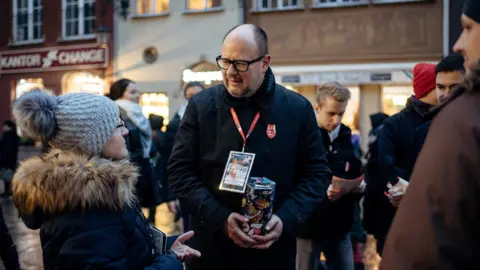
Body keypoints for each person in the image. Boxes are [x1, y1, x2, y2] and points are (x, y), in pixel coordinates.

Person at [167, 24, 331, 270]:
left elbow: (317, 175)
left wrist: (284, 219)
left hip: (272, 252)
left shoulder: (296, 109)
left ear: (264, 63)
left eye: (241, 63)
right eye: (225, 61)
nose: (231, 72)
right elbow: (179, 172)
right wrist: (219, 218)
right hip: (211, 250)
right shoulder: (201, 106)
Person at [11, 89, 200, 269]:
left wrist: (164, 246)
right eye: (117, 125)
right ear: (94, 141)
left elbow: (121, 246)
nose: (126, 131)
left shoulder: (103, 189)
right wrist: (171, 262)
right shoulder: (87, 207)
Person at [380, 1, 480, 268]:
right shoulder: (446, 121)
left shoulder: (462, 119)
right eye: (440, 87)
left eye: (469, 28)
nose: (459, 43)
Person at [296, 82, 364, 270]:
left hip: (340, 224)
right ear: (317, 108)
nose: (336, 120)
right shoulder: (304, 136)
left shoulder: (345, 135)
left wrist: (358, 187)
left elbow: (354, 169)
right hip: (309, 225)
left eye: (341, 114)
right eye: (331, 113)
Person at [374, 63, 438, 254]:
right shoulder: (394, 124)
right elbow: (386, 163)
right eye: (440, 87)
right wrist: (407, 189)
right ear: (430, 88)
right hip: (401, 210)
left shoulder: (445, 118)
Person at [109, 79, 161, 208]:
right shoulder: (116, 111)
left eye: (137, 92)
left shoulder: (139, 113)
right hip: (127, 169)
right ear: (120, 94)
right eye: (132, 92)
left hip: (143, 165)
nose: (137, 95)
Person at [162, 82, 204, 231]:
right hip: (188, 186)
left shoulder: (214, 119)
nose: (194, 100)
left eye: (198, 95)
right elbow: (170, 161)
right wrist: (170, 195)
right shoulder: (176, 124)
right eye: (190, 96)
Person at [411, 54, 465, 162]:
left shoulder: (474, 129)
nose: (446, 94)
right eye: (441, 87)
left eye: (454, 87)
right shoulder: (423, 133)